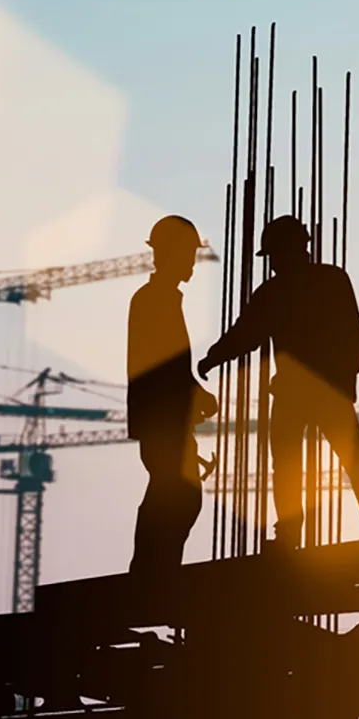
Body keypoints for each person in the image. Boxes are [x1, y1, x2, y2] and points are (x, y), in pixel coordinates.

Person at [197, 215, 359, 547]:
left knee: (294, 463)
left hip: (303, 390)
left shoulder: (286, 289)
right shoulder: (326, 280)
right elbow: (354, 332)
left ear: (289, 250)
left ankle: (295, 533)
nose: (273, 263)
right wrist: (348, 379)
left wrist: (215, 357)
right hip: (320, 389)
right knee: (348, 460)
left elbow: (247, 335)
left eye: (275, 255)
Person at [127, 215, 219, 574]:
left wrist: (194, 395)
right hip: (162, 419)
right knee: (175, 493)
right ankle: (151, 572)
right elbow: (162, 364)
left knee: (174, 493)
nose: (192, 262)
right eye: (188, 254)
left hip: (165, 417)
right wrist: (195, 395)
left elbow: (168, 366)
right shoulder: (155, 300)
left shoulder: (160, 298)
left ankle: (155, 570)